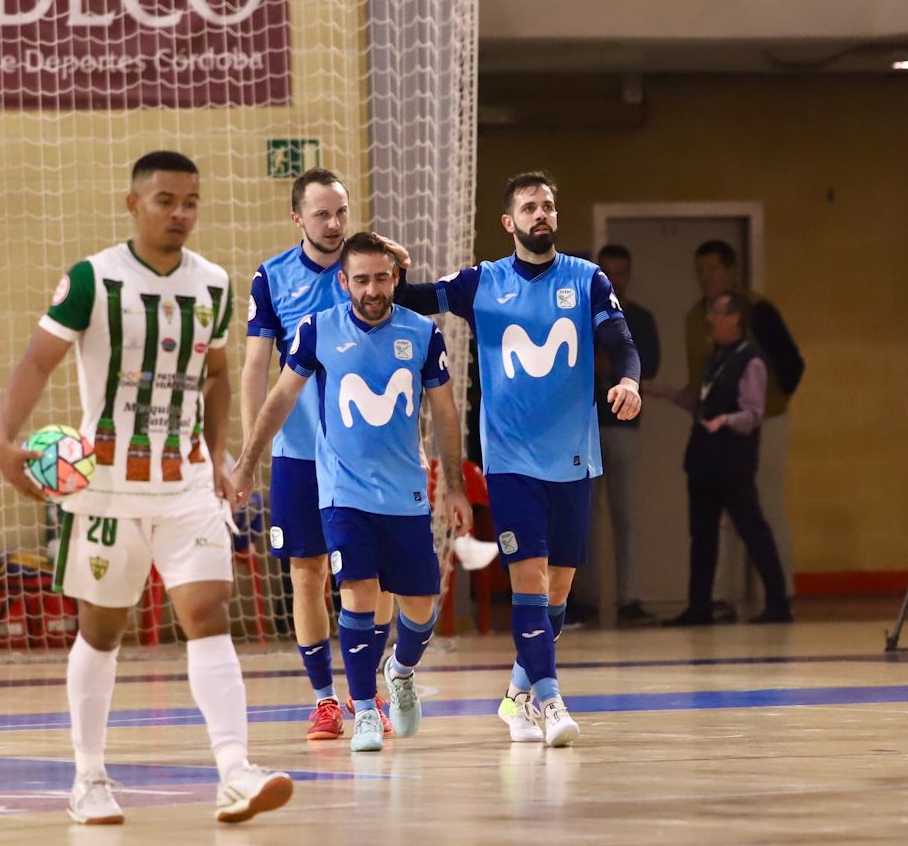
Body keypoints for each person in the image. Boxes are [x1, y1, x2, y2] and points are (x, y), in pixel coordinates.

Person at [0, 151, 292, 825]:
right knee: (101, 630)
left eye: (190, 201)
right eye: (165, 200)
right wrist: (6, 440)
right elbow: (39, 359)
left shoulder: (213, 284)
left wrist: (215, 456)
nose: (179, 212)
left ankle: (235, 769)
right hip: (105, 488)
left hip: (184, 482)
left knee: (208, 612)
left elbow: (216, 375)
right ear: (134, 204)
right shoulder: (90, 280)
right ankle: (89, 776)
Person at [382, 171, 642, 747]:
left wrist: (629, 381)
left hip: (574, 457)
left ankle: (516, 697)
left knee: (557, 590)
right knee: (528, 577)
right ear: (510, 222)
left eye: (548, 205)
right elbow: (411, 297)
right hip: (511, 459)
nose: (541, 214)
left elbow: (622, 342)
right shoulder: (482, 283)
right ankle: (549, 700)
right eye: (529, 207)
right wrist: (390, 267)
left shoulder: (587, 279)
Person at [231, 232, 470, 752]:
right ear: (344, 283)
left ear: (395, 279)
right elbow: (278, 398)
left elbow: (446, 414)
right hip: (341, 491)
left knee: (421, 608)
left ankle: (400, 673)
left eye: (381, 277)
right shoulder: (317, 331)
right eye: (360, 279)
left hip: (406, 494)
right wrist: (249, 462)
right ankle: (362, 710)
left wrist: (454, 488)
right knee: (357, 595)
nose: (372, 288)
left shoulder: (423, 334)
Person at [243, 167, 356, 742]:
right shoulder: (273, 277)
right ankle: (324, 700)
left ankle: (374, 691)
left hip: (364, 453)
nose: (334, 224)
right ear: (298, 218)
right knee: (307, 573)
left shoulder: (367, 266)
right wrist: (249, 455)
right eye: (321, 214)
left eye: (341, 212)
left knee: (369, 577)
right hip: (299, 453)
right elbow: (256, 368)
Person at [685, 241, 803, 614]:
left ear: (731, 272)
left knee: (761, 508)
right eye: (700, 270)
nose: (706, 277)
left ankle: (781, 594)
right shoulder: (695, 316)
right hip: (714, 428)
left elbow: (792, 363)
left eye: (713, 269)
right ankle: (720, 597)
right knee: (719, 520)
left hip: (761, 419)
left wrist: (765, 403)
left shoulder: (757, 311)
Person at [662, 292, 792, 626]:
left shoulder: (751, 359)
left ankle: (778, 601)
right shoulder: (716, 356)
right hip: (704, 458)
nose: (709, 319)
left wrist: (726, 421)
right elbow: (704, 401)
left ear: (735, 317)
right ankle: (699, 605)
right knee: (702, 536)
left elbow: (753, 413)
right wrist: (662, 392)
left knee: (752, 529)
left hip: (733, 460)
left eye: (717, 313)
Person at [585, 243, 661, 625]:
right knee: (584, 514)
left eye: (621, 272)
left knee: (625, 513)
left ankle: (629, 599)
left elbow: (648, 363)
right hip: (585, 426)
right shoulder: (582, 313)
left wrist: (609, 362)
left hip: (625, 425)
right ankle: (585, 600)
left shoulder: (640, 318)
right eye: (608, 271)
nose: (615, 279)